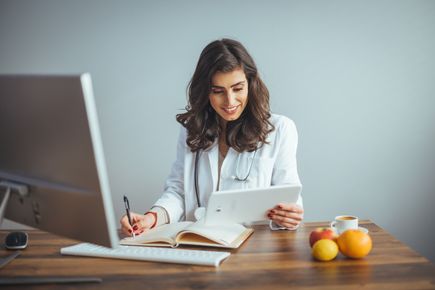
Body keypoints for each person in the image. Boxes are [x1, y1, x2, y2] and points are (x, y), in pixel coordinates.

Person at [120, 38, 303, 236]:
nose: (230, 101)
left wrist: (289, 216)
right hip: (198, 244)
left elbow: (289, 195)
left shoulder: (280, 129)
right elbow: (179, 191)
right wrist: (152, 217)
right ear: (206, 91)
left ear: (250, 83)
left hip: (252, 248)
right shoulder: (192, 129)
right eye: (218, 91)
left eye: (238, 88)